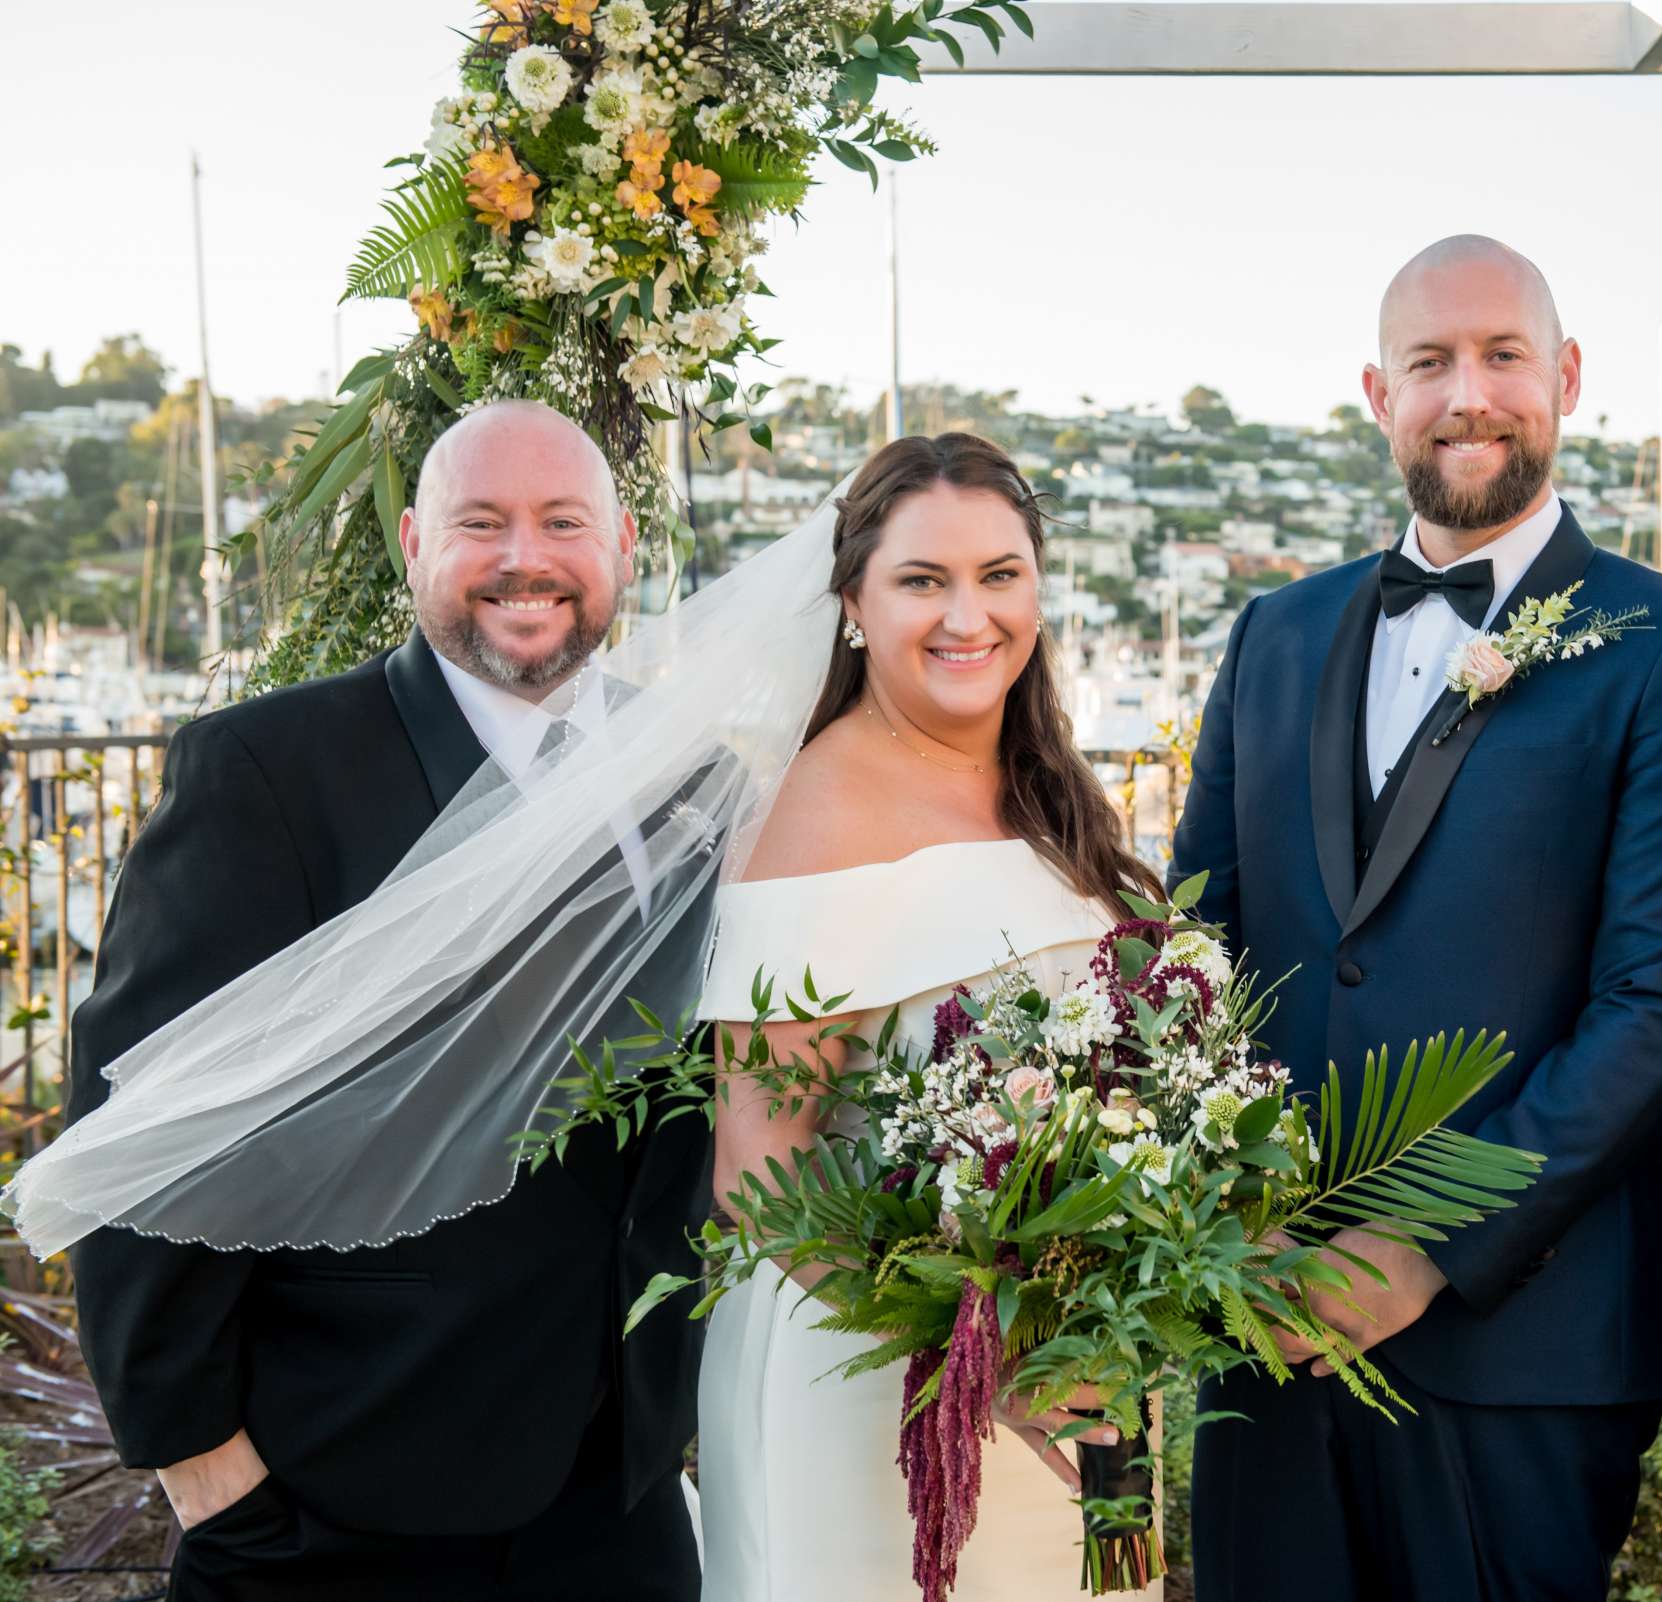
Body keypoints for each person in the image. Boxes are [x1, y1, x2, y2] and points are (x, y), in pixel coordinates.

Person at [61, 400, 715, 1601]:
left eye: (563, 520)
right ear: (413, 542)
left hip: (616, 1499)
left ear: (623, 544)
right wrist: (204, 1468)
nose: (526, 557)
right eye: (482, 522)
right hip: (340, 1499)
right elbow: (138, 1125)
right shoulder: (268, 770)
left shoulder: (690, 772)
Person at [1171, 235, 1662, 1600]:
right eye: (1430, 361)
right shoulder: (1273, 634)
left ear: (1569, 378)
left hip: (1522, 1350)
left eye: (1503, 355)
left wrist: (1428, 1244)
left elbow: (1660, 1002)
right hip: (1264, 1329)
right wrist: (1217, 1225)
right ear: (1379, 392)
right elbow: (1191, 952)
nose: (1467, 393)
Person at [691, 432, 1166, 1601]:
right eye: (923, 580)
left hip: (1078, 1368)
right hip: (875, 1391)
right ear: (853, 602)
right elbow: (762, 1170)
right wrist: (981, 1366)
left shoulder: (1054, 795)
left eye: (1000, 575)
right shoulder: (817, 813)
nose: (970, 615)